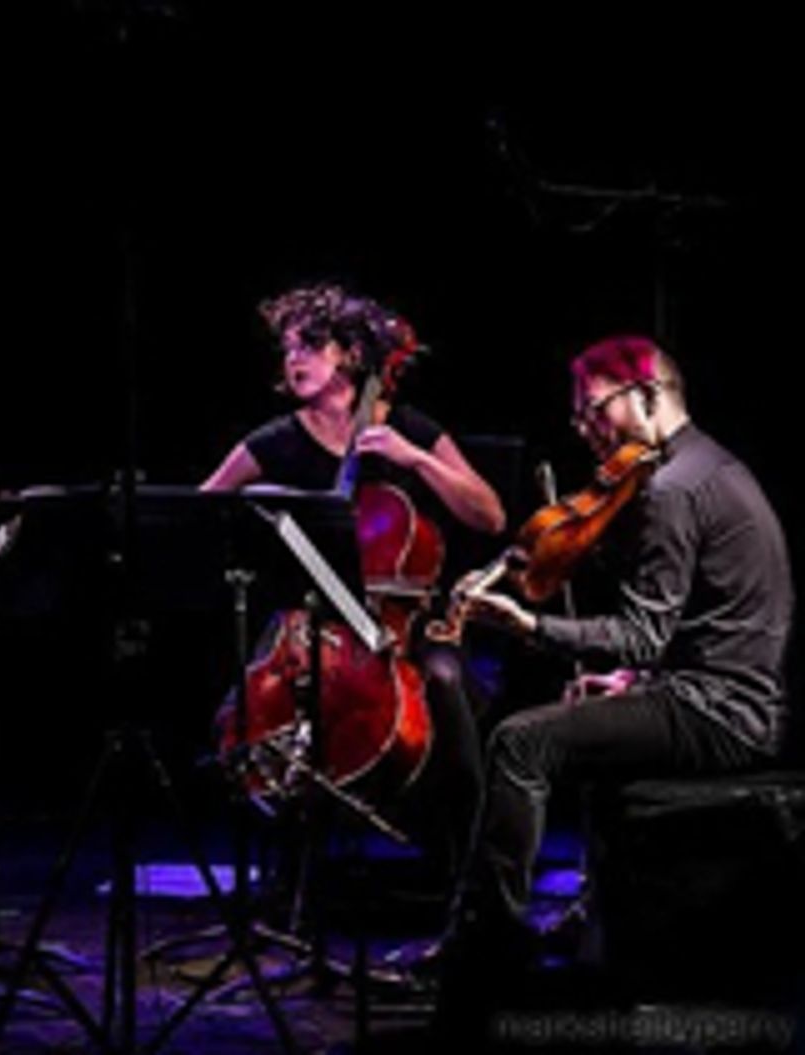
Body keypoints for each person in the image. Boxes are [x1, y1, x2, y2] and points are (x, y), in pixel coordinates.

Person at [449, 335, 793, 983]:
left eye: (593, 408)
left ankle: (488, 947)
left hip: (720, 714)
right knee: (586, 711)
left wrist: (530, 624)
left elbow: (640, 632)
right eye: (577, 414)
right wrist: (634, 681)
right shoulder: (712, 465)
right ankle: (598, 912)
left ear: (647, 395)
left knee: (518, 743)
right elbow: (705, 625)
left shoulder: (671, 489)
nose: (583, 428)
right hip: (733, 698)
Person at [202, 281, 506, 905]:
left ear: (351, 354)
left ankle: (472, 873)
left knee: (447, 687)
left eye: (311, 344)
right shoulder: (276, 440)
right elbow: (201, 511)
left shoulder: (411, 428)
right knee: (250, 710)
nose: (295, 359)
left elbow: (490, 517)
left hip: (404, 632)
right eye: (288, 347)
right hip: (308, 624)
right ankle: (289, 879)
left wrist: (417, 460)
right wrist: (258, 506)